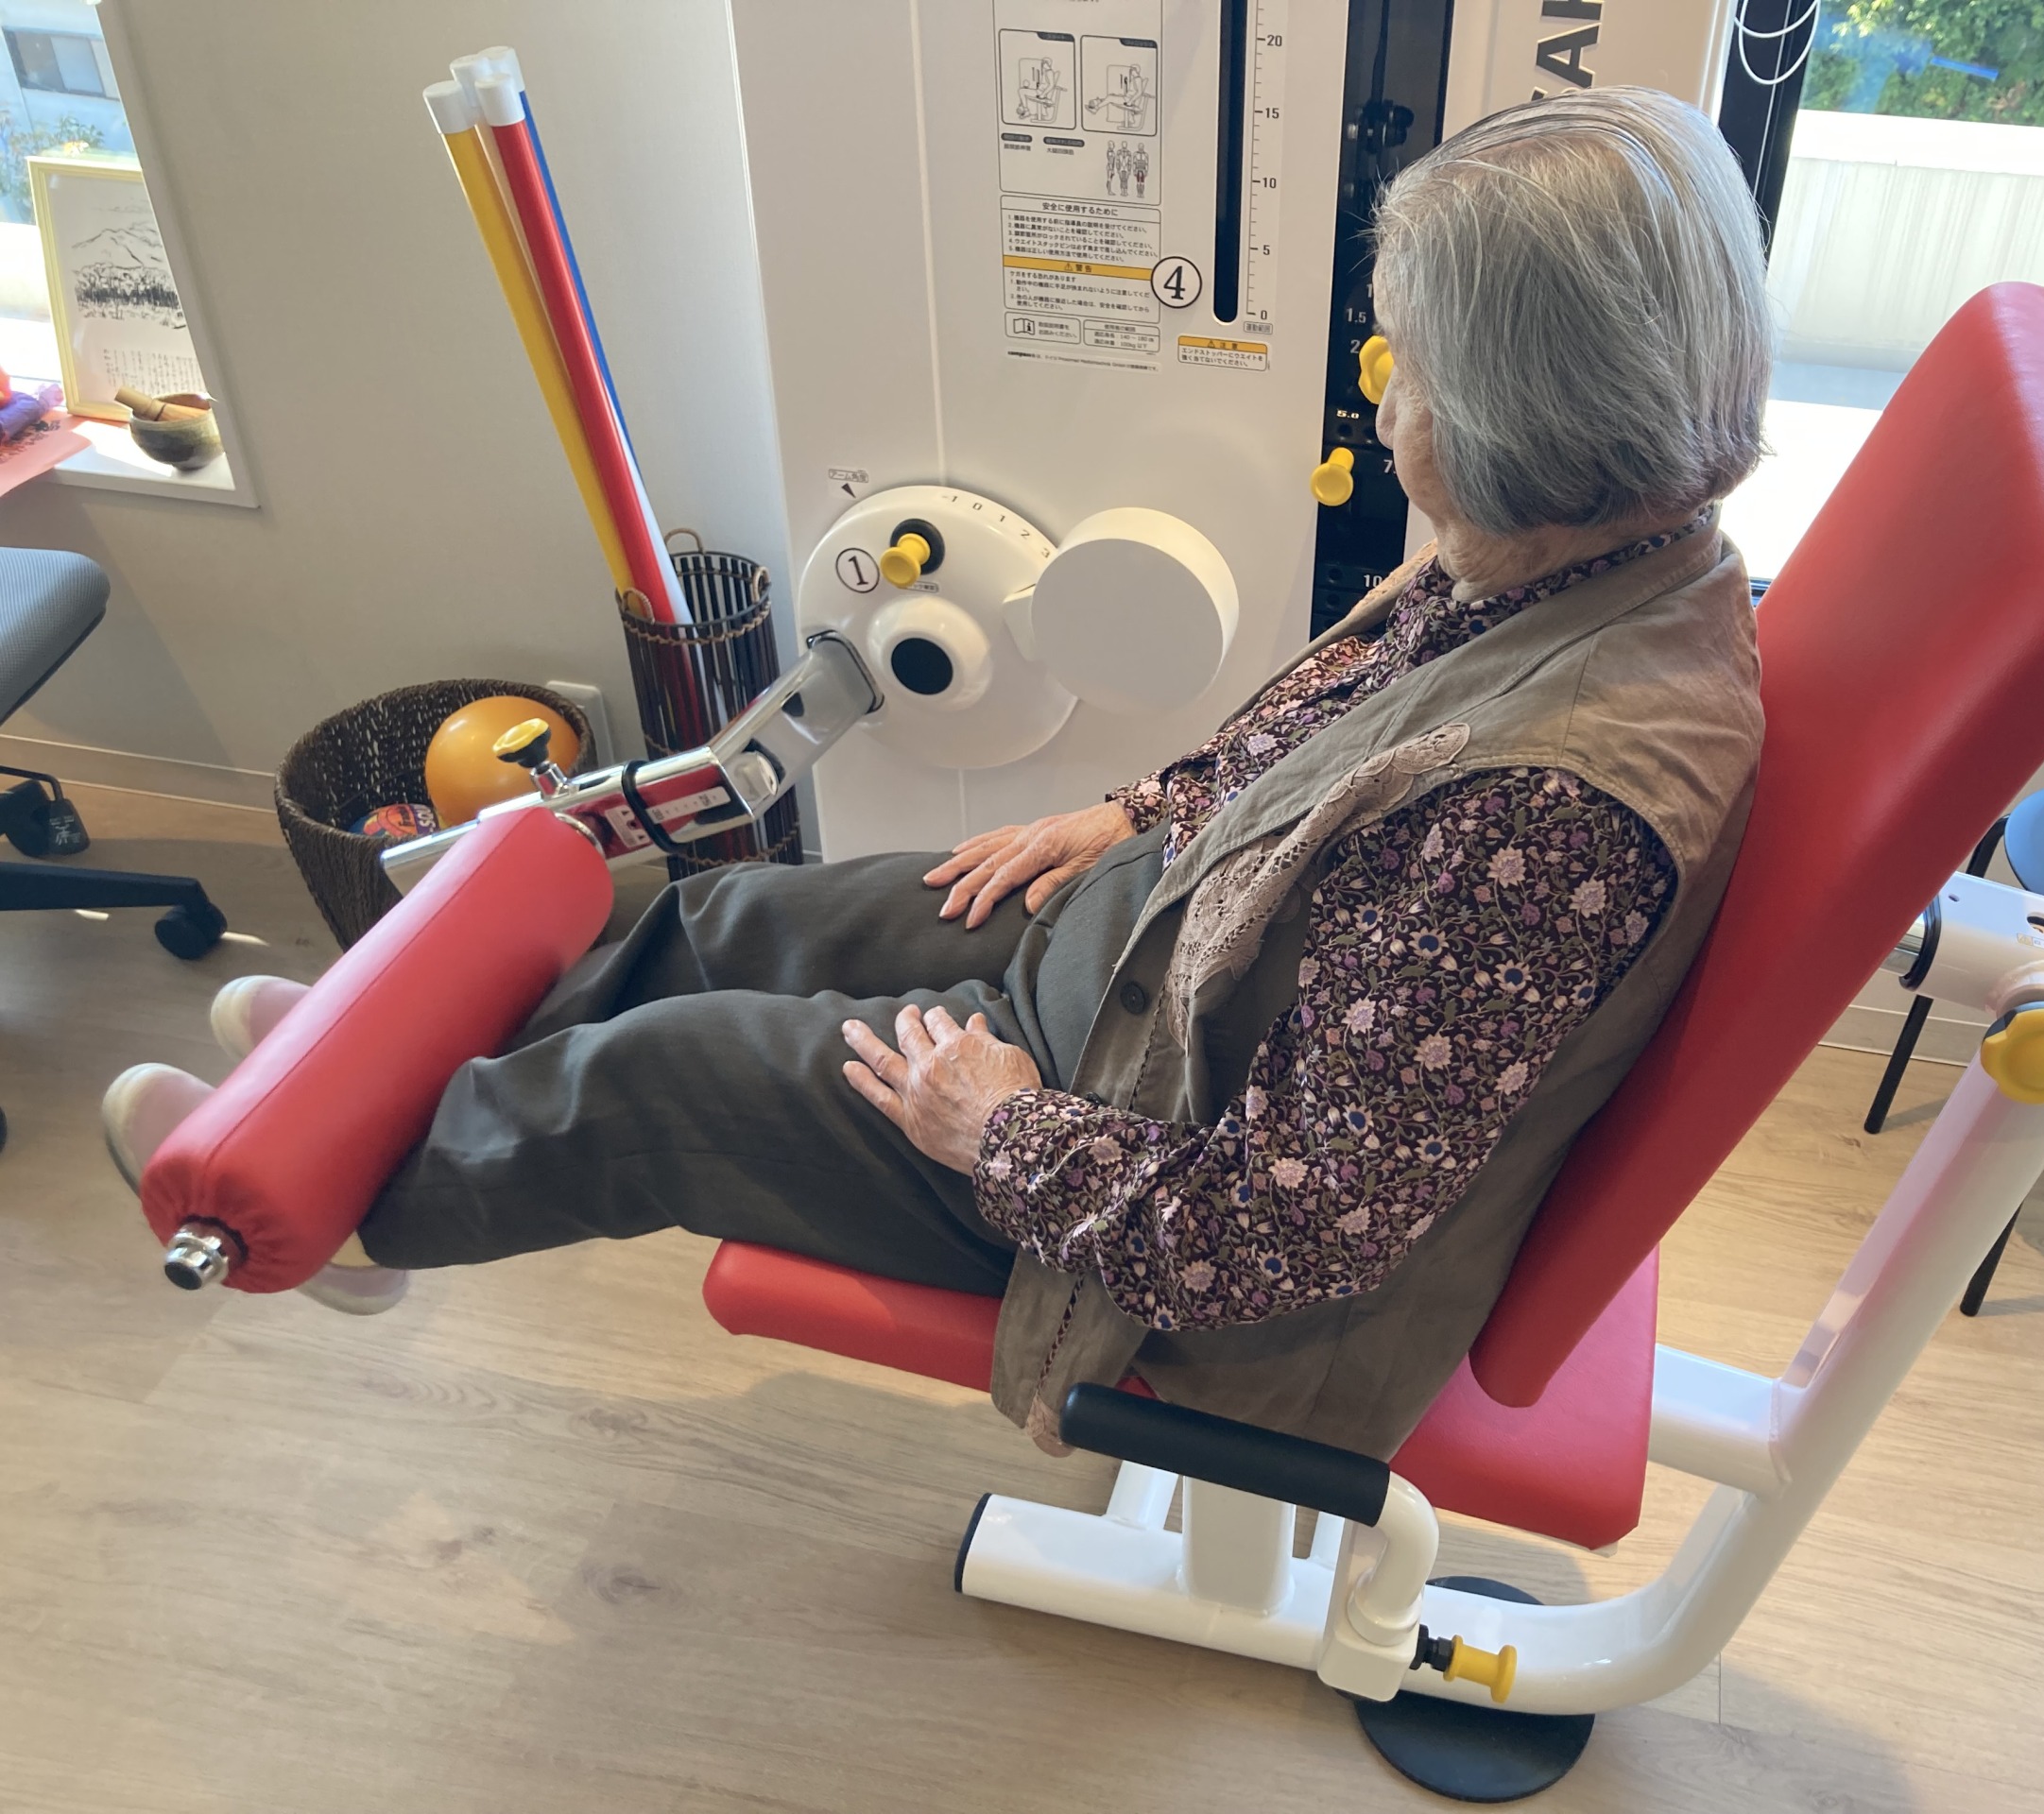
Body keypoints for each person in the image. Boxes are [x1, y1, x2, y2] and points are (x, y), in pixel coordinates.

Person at [105, 87, 1769, 1456]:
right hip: (1152, 956)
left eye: (1403, 371)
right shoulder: (1577, 547)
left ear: (1524, 417)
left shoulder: (1550, 815)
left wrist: (1003, 1131)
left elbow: (1284, 1236)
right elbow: (1333, 744)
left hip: (1138, 1178)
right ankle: (385, 1070)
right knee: (728, 922)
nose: (1381, 405)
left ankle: (341, 1198)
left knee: (677, 1076)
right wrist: (1141, 812)